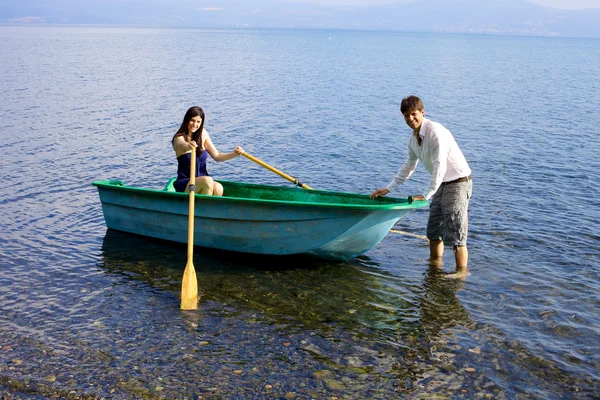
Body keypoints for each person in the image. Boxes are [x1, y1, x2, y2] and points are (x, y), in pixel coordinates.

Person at [371, 96, 472, 277]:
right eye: (406, 116)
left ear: (422, 112)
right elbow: (409, 166)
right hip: (440, 184)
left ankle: (461, 275)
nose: (411, 119)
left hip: (458, 182)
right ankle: (435, 269)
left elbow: (440, 166)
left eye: (414, 114)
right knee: (434, 231)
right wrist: (388, 188)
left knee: (456, 234)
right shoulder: (412, 140)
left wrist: (426, 195)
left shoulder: (435, 132)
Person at [171, 106, 244, 196]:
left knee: (218, 187)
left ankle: (210, 209)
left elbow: (217, 156)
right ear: (187, 120)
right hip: (187, 184)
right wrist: (189, 145)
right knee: (207, 180)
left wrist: (234, 154)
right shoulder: (179, 138)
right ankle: (201, 208)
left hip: (202, 181)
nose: (195, 124)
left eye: (198, 122)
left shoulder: (203, 134)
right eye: (192, 120)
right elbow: (182, 145)